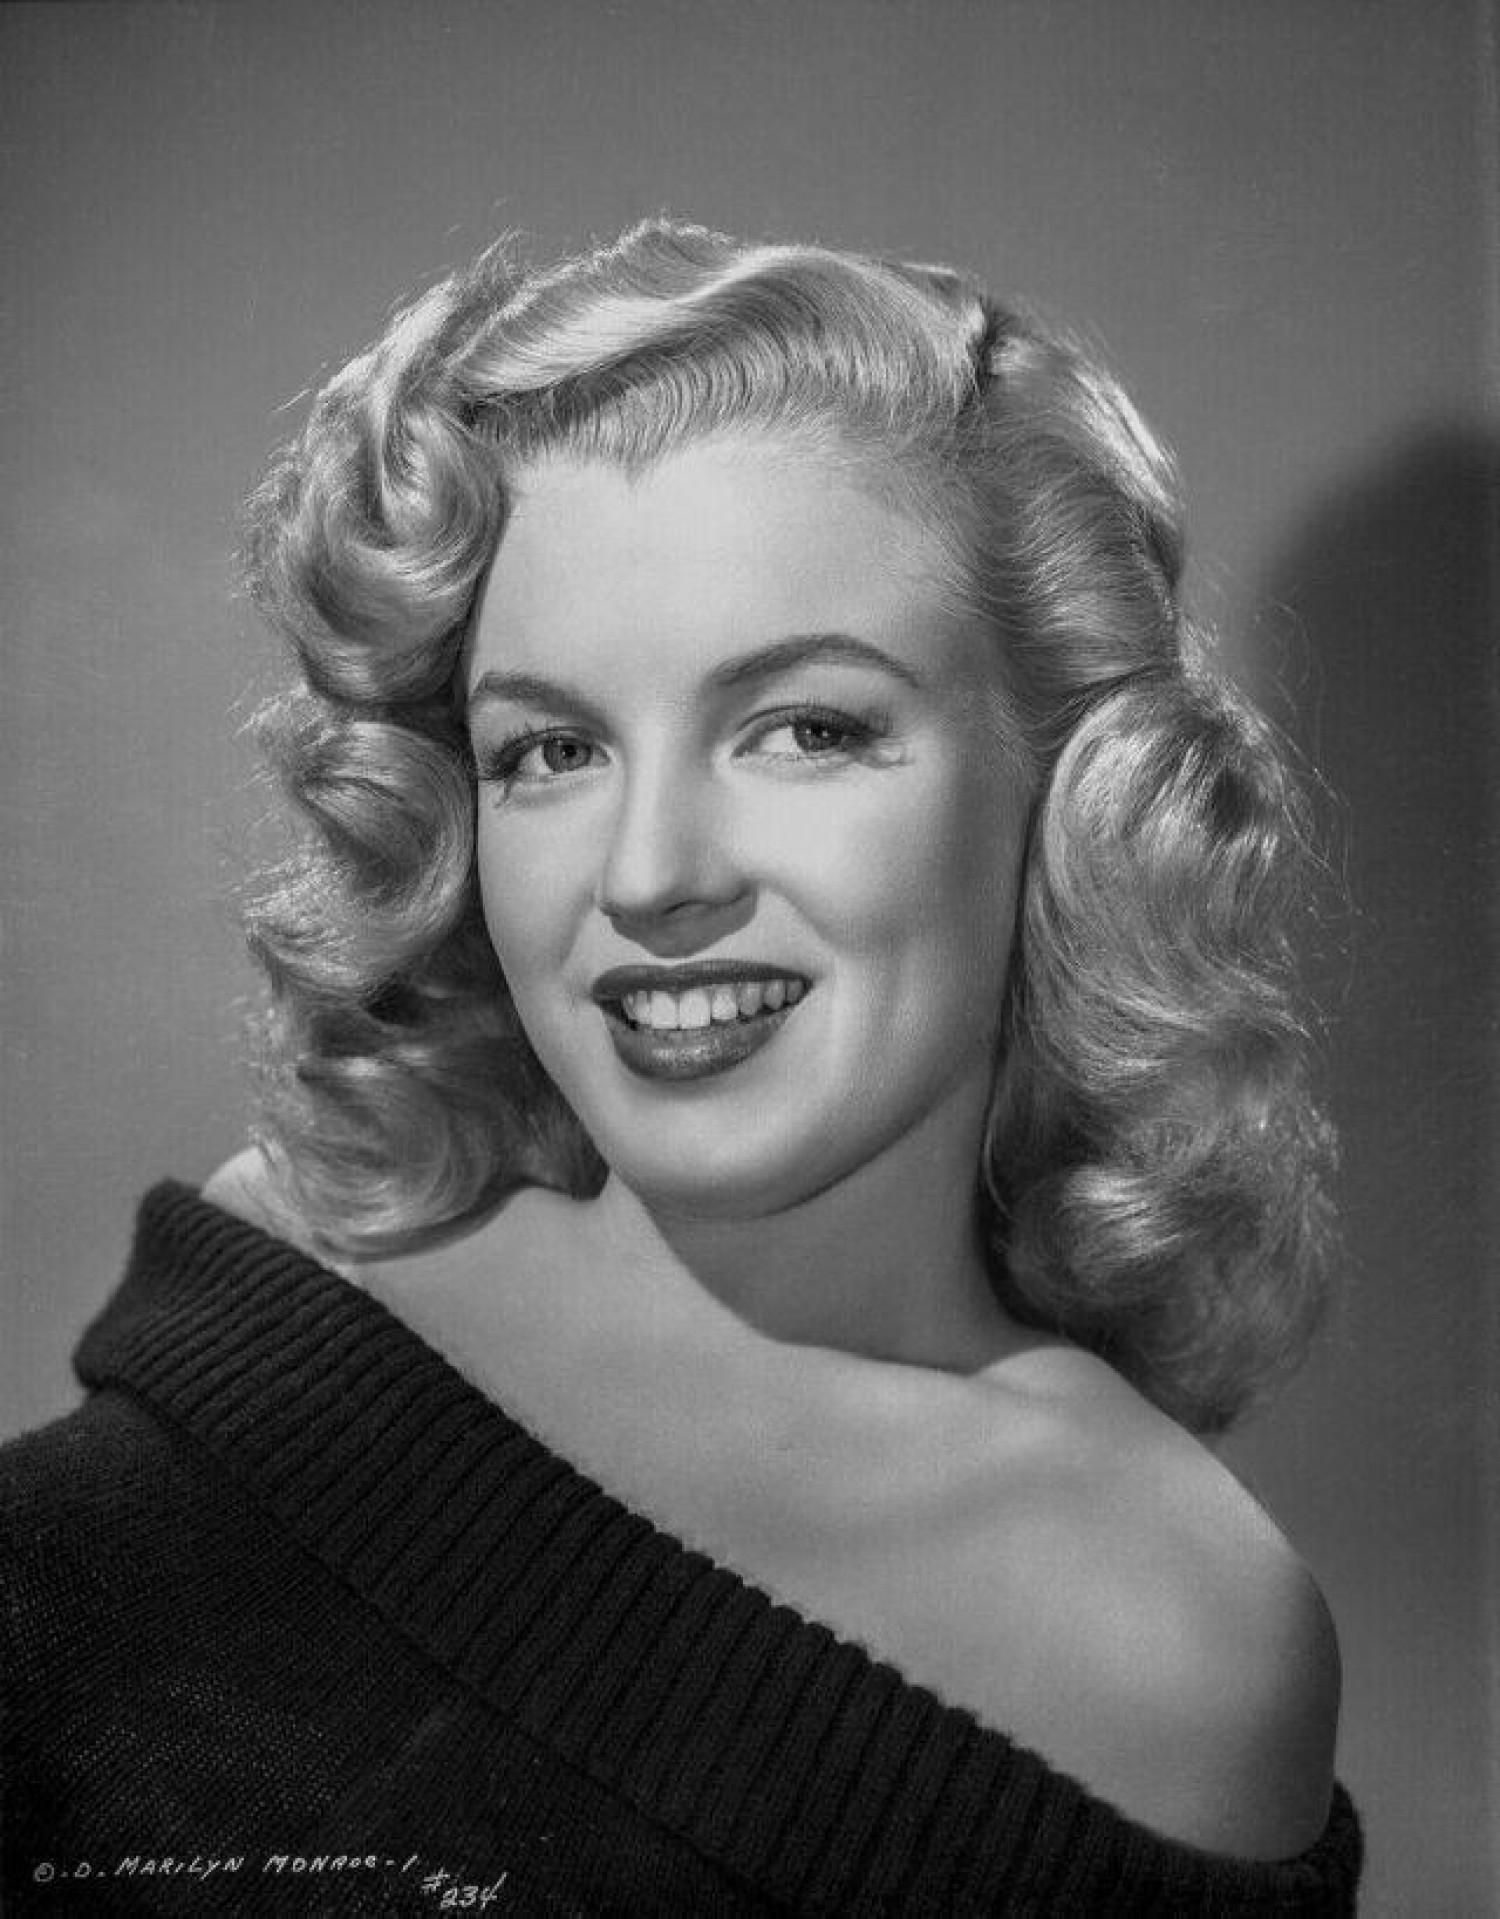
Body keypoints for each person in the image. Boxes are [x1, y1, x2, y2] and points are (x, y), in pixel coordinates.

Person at [1, 219, 1361, 1913]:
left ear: (1068, 789)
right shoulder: (304, 1274)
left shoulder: (1170, 1637)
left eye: (805, 728)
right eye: (550, 750)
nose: (649, 875)